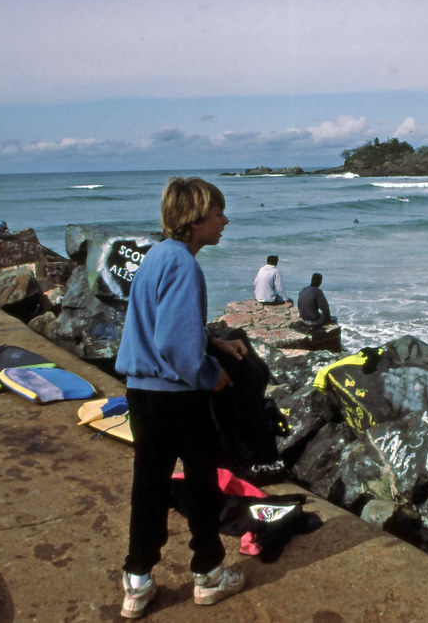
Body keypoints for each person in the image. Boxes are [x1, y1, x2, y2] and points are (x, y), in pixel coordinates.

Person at [114, 177, 248, 619]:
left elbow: (164, 326)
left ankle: (137, 582)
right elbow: (174, 345)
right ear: (194, 221)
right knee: (201, 481)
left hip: (143, 391)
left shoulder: (157, 256)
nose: (225, 220)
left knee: (148, 484)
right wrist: (209, 372)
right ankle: (208, 572)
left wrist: (213, 341)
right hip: (177, 395)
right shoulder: (186, 266)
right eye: (217, 214)